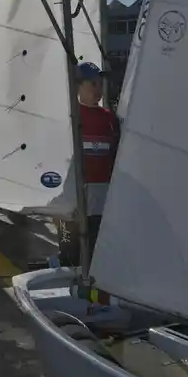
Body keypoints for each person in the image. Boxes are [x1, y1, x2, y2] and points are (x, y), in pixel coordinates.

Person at [58, 61, 120, 268]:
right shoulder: (69, 118)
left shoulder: (110, 119)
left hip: (101, 197)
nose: (98, 89)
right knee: (70, 251)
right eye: (92, 84)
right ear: (78, 86)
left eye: (99, 84)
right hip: (74, 196)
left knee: (95, 251)